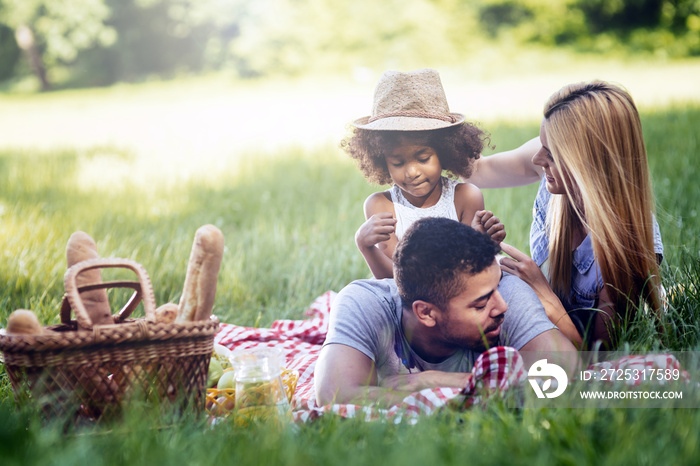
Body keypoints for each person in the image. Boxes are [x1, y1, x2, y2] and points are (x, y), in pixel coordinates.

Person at [465, 80, 664, 349]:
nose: (537, 159)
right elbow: (476, 172)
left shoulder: (624, 251)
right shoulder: (555, 178)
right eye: (542, 145)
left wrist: (543, 294)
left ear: (590, 163)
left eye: (552, 154)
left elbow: (595, 356)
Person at [314, 217, 578, 406]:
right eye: (480, 304)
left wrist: (431, 381)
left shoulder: (504, 291)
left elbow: (567, 374)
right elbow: (334, 395)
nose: (502, 306)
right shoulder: (364, 303)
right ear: (426, 313)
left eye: (496, 288)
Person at [341, 69, 506, 279]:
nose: (412, 172)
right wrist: (365, 246)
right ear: (382, 161)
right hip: (405, 298)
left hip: (461, 292)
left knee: (511, 281)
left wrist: (485, 245)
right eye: (398, 162)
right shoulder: (381, 205)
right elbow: (394, 279)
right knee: (354, 295)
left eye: (423, 158)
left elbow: (469, 273)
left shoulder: (465, 197)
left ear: (446, 152)